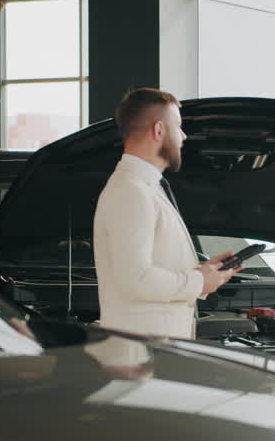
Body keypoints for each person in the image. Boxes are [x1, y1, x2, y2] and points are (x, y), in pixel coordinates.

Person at [93, 88, 240, 339]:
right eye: (179, 127)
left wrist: (203, 273)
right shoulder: (131, 191)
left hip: (156, 353)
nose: (183, 136)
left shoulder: (145, 187)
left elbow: (152, 267)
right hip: (141, 359)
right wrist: (198, 283)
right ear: (159, 130)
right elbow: (136, 278)